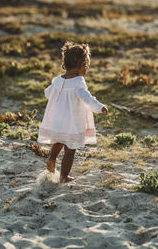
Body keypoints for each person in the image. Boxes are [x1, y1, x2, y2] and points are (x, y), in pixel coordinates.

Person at [37, 41, 109, 183]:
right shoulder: (78, 82)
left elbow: (47, 93)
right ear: (81, 66)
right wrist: (99, 107)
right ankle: (64, 176)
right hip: (71, 123)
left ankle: (52, 158)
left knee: (57, 141)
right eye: (86, 66)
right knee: (70, 150)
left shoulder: (57, 80)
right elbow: (86, 98)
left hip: (57, 120)